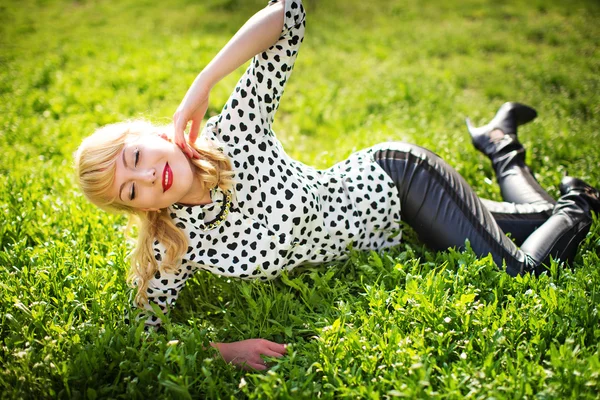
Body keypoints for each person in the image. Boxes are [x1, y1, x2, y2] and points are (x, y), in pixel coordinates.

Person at [74, 0, 599, 370]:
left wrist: (202, 84)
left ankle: (583, 201)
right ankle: (501, 141)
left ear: (151, 133)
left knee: (525, 269)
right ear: (136, 209)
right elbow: (144, 333)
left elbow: (289, 14)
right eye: (132, 189)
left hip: (398, 182)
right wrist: (223, 349)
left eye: (136, 156)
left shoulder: (231, 134)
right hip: (393, 229)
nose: (147, 176)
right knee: (536, 219)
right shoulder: (174, 242)